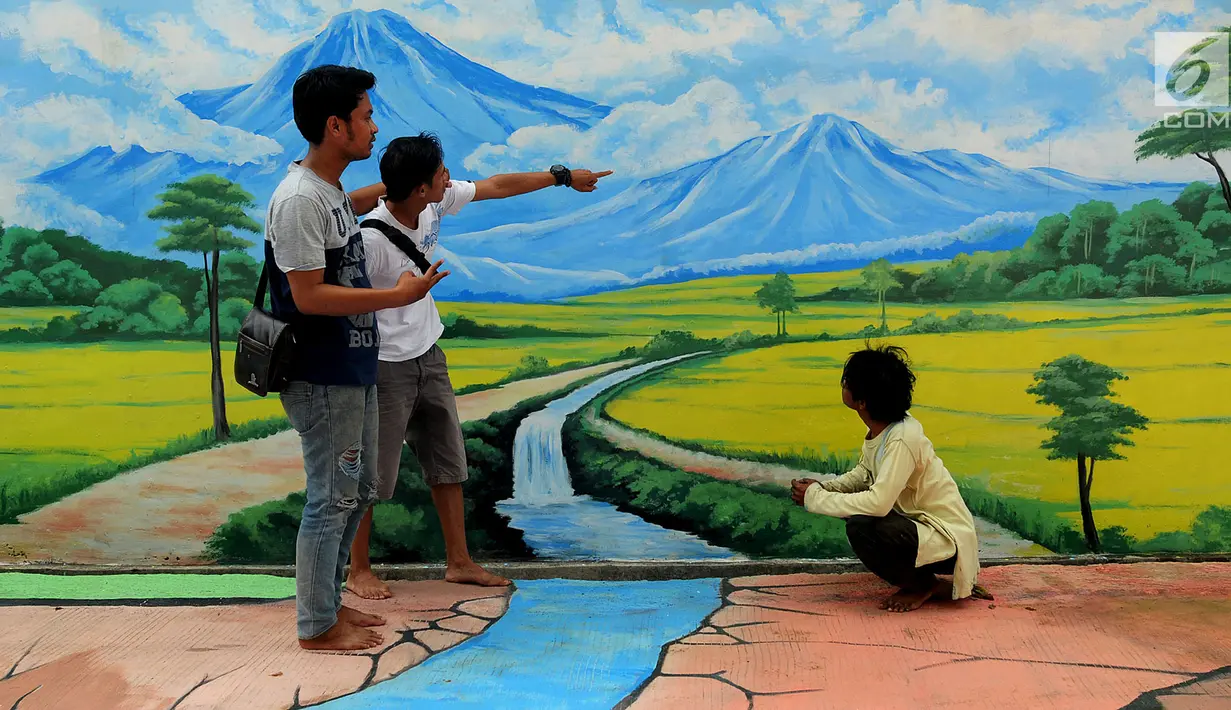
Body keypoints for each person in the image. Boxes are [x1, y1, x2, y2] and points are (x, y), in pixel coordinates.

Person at [344, 132, 612, 599]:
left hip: (429, 352)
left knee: (448, 461)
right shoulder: (369, 238)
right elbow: (344, 302)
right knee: (372, 475)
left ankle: (459, 562)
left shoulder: (433, 203)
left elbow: (498, 186)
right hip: (385, 365)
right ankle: (358, 570)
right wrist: (397, 296)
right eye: (441, 173)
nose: (450, 178)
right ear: (421, 187)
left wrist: (561, 177)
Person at [266, 66, 448, 651]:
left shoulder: (330, 194)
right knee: (332, 496)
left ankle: (330, 608)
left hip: (353, 368)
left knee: (361, 487)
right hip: (322, 377)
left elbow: (363, 200)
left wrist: (418, 187)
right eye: (366, 117)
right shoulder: (298, 201)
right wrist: (396, 297)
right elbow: (308, 295)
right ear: (335, 125)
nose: (375, 129)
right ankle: (316, 626)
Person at [789, 344, 990, 612]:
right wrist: (823, 487)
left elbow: (878, 503)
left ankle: (922, 585)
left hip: (946, 539)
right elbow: (864, 474)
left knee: (862, 525)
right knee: (861, 516)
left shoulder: (902, 438)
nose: (844, 384)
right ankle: (932, 585)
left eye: (847, 381)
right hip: (919, 529)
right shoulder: (883, 430)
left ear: (862, 402)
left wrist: (815, 497)